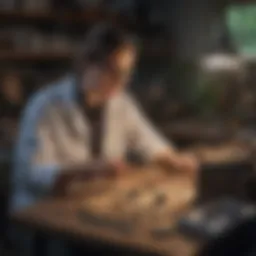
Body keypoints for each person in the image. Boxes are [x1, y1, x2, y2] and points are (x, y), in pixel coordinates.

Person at [9, 24, 198, 255]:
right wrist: (87, 169)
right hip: (43, 218)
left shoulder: (119, 102)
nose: (122, 81)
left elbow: (146, 139)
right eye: (113, 70)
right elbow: (29, 175)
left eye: (127, 72)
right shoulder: (45, 105)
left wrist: (173, 159)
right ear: (87, 63)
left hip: (88, 205)